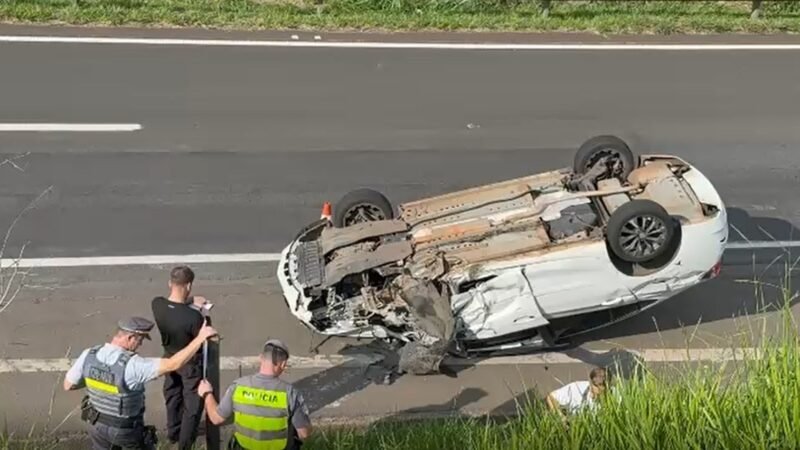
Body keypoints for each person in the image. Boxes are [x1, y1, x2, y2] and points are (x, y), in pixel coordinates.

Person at [63, 316, 218, 450]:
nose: (141, 344)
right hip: (124, 429)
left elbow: (68, 385)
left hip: (96, 424)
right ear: (130, 337)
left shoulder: (89, 354)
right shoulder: (133, 365)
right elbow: (172, 364)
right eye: (140, 339)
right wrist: (200, 339)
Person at [198, 339, 313, 450]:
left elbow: (216, 418)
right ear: (283, 364)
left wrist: (207, 393)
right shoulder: (290, 393)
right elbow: (304, 433)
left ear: (261, 358)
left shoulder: (238, 387)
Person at [150, 265, 208, 450]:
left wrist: (190, 301)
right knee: (192, 404)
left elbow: (174, 306)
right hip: (189, 361)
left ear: (170, 283)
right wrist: (201, 310)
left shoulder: (157, 304)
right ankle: (185, 443)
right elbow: (202, 334)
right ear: (189, 285)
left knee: (172, 394)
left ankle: (174, 431)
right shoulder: (193, 317)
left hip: (169, 356)